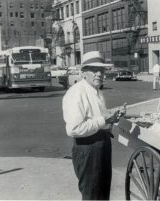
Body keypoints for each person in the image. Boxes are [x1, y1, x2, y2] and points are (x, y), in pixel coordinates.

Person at [62, 51, 123, 200]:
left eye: (101, 70)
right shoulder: (76, 93)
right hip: (87, 149)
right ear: (83, 73)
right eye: (94, 70)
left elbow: (99, 117)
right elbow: (74, 129)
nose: (99, 74)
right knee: (91, 195)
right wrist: (104, 120)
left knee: (102, 194)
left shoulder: (96, 90)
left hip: (102, 144)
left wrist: (113, 115)